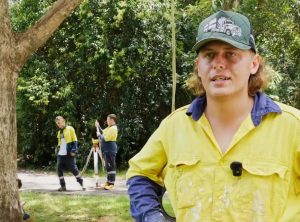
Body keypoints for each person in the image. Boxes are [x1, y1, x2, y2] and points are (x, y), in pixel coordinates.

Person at [126, 10, 300, 222]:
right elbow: (140, 174)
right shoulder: (174, 127)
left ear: (253, 64)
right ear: (199, 66)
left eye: (230, 54)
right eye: (209, 55)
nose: (218, 63)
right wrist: (152, 216)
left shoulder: (292, 128)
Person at [55, 116, 85, 191]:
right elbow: (59, 142)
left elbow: (75, 140)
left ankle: (81, 183)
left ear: (63, 121)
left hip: (69, 153)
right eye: (57, 123)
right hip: (60, 154)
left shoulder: (70, 128)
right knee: (59, 170)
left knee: (74, 169)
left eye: (59, 122)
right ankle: (63, 186)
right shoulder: (59, 132)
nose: (58, 124)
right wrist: (57, 149)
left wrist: (74, 150)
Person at [95, 114, 118, 190]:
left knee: (111, 166)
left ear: (112, 120)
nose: (107, 121)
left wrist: (99, 135)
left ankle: (111, 183)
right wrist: (98, 126)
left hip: (110, 149)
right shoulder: (109, 128)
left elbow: (105, 138)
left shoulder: (113, 128)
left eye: (108, 120)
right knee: (108, 166)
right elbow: (103, 132)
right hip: (106, 150)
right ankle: (108, 181)